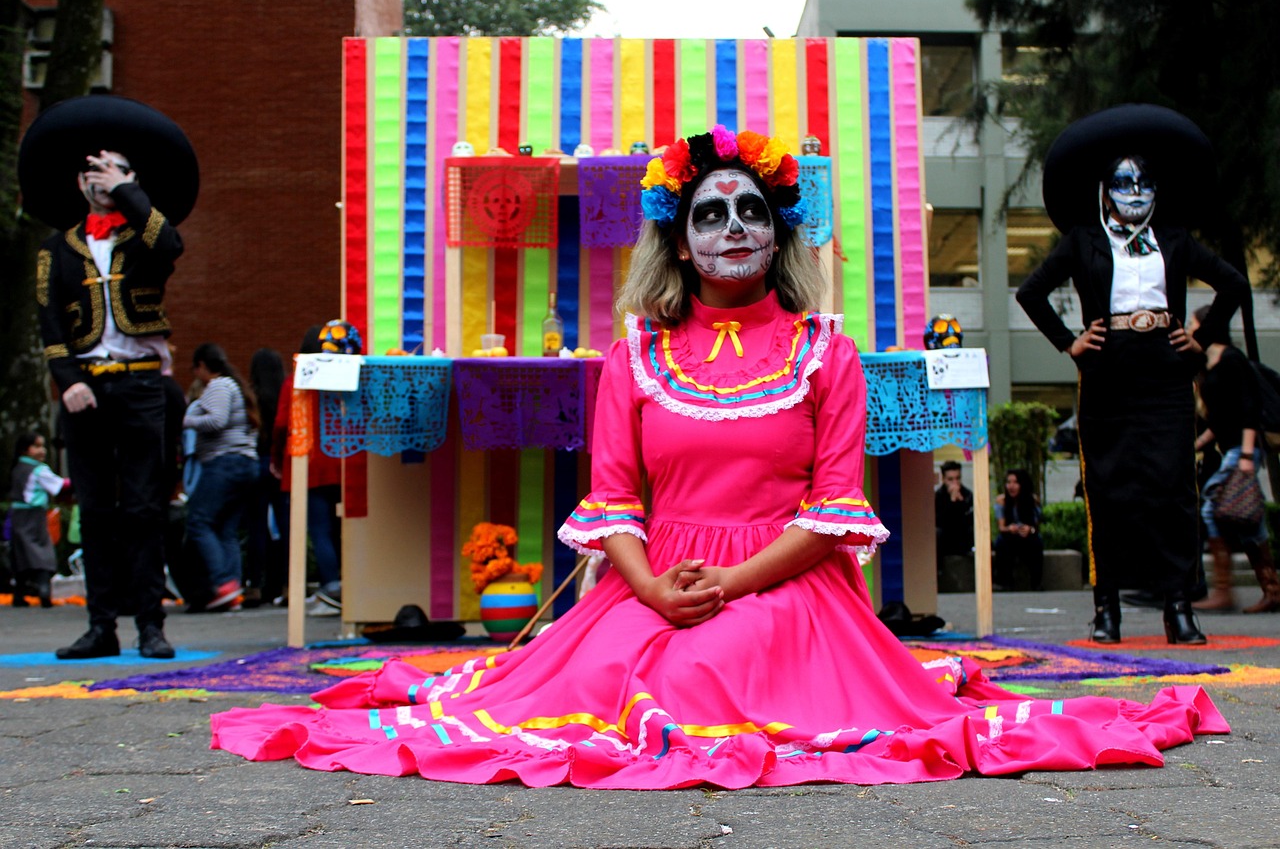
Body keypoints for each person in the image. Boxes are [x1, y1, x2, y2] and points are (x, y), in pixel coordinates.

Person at [211, 126, 1226, 788]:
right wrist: (654, 586)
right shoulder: (634, 353)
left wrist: (726, 583)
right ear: (679, 239)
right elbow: (609, 499)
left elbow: (833, 505)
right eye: (708, 213)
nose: (731, 227)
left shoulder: (826, 348)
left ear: (775, 232)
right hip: (650, 582)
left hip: (788, 581)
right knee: (585, 691)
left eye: (750, 210)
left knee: (713, 674)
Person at [1016, 104, 1249, 645]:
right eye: (1124, 181)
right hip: (1107, 373)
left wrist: (1205, 335)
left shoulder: (1175, 238)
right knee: (1108, 488)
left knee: (1174, 489)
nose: (1135, 190)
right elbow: (1031, 292)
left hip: (1166, 375)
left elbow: (1233, 284)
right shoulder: (1081, 239)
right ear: (1104, 189)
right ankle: (1107, 609)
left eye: (1144, 181)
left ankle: (1178, 608)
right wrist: (1070, 343)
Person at [19, 95, 199, 660]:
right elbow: (50, 323)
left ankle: (151, 623)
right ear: (77, 183)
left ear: (129, 178)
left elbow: (169, 243)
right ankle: (101, 626)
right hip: (86, 389)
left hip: (143, 384)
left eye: (111, 170)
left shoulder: (144, 237)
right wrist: (65, 378)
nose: (99, 179)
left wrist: (127, 189)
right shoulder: (57, 250)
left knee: (145, 507)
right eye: (92, 172)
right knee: (95, 511)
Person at [1189, 306, 1280, 613]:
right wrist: (1197, 445)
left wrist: (1244, 453)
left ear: (1207, 326)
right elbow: (1221, 420)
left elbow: (1249, 409)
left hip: (1243, 450)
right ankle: (1271, 590)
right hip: (1230, 448)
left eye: (1193, 323)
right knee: (1246, 519)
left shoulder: (1232, 360)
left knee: (1214, 503)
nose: (1190, 327)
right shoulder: (1209, 366)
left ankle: (1225, 591)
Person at [270, 324, 344, 613]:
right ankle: (346, 586)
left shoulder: (295, 382)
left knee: (320, 529)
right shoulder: (341, 379)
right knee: (342, 529)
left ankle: (331, 589)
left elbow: (280, 426)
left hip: (307, 464)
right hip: (341, 462)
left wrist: (276, 460)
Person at [183, 343, 260, 611]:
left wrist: (187, 420)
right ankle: (233, 590)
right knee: (226, 530)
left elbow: (216, 420)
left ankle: (222, 582)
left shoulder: (218, 386)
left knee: (199, 522)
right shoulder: (235, 386)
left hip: (224, 463)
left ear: (202, 366)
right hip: (245, 465)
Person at [244, 348, 287, 607]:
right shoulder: (286, 393)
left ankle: (255, 586)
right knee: (284, 525)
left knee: (256, 526)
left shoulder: (251, 396)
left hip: (255, 460)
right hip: (279, 463)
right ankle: (285, 584)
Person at [7, 433, 70, 608]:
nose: (42, 450)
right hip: (34, 516)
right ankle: (43, 589)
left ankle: (19, 593)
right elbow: (59, 485)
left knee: (20, 552)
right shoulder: (39, 470)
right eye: (37, 446)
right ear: (26, 449)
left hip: (17, 515)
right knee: (42, 551)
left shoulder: (18, 467)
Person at [993, 468, 1044, 591]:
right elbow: (1001, 528)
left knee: (1037, 542)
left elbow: (1035, 529)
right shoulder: (1002, 501)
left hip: (1027, 536)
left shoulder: (1032, 500)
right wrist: (1010, 528)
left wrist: (1028, 529)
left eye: (1015, 482)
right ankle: (1005, 582)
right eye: (1008, 482)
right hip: (1010, 536)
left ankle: (1036, 583)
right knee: (1001, 542)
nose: (1011, 486)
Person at [934, 460, 974, 561]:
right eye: (950, 479)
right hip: (945, 537)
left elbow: (969, 519)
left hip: (963, 535)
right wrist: (952, 502)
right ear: (943, 479)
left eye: (957, 478)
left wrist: (961, 502)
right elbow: (940, 521)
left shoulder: (967, 494)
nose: (955, 483)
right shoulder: (938, 496)